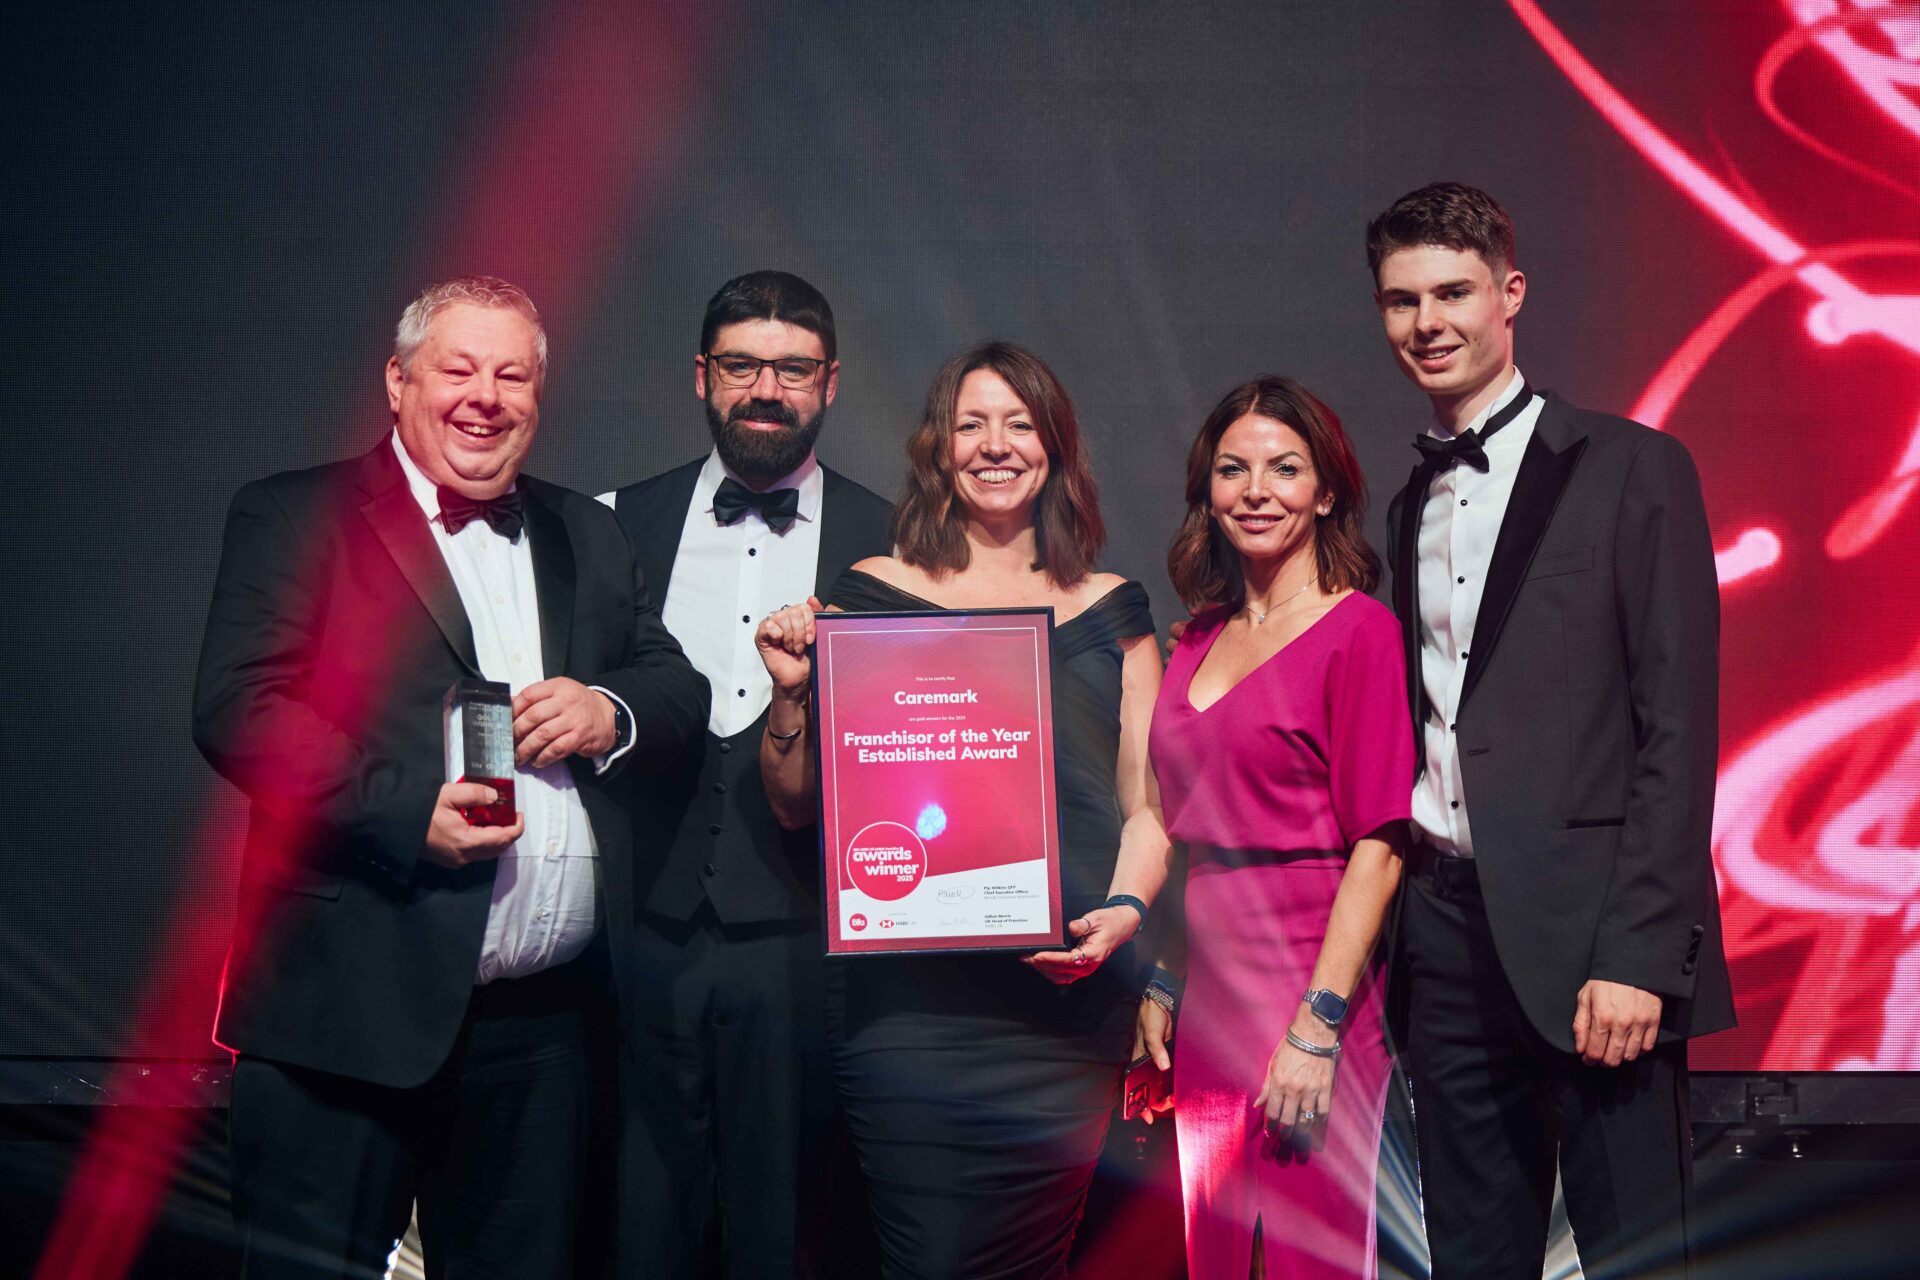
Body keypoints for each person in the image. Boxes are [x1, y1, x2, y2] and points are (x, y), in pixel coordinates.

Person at [193, 275, 708, 1278]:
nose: (485, 396)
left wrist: (611, 710)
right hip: (344, 1015)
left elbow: (675, 685)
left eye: (511, 375)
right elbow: (240, 707)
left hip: (544, 1030)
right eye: (458, 369)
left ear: (539, 394)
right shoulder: (295, 512)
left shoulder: (587, 531)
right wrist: (403, 812)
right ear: (398, 382)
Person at [1369, 182, 1734, 1279]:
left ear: (1510, 293)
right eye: (1401, 301)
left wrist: (1639, 957)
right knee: (1473, 1257)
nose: (1427, 322)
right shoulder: (1407, 504)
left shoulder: (1634, 467)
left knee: (1637, 1257)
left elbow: (1676, 734)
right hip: (1443, 942)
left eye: (1452, 292)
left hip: (1595, 945)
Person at [755, 341, 1173, 1278]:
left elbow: (1145, 807)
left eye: (1019, 424)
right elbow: (793, 804)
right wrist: (791, 695)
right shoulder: (873, 595)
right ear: (939, 448)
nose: (995, 445)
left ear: (1054, 447)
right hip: (915, 1013)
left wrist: (1127, 913)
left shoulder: (1114, 608)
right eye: (971, 424)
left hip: (1068, 1005)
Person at [599, 270, 894, 1278]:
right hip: (637, 933)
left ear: (831, 383)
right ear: (701, 375)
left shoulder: (897, 544)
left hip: (812, 945)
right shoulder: (609, 523)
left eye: (793, 370)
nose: (766, 389)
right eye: (741, 366)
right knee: (637, 1228)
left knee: (787, 1233)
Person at [1133, 376, 1414, 1278]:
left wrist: (1317, 1027)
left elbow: (1381, 849)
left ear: (1325, 491)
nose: (1257, 491)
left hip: (1312, 994)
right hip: (1210, 1010)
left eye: (1285, 469)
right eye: (1233, 470)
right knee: (1216, 1259)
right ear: (1207, 490)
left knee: (1310, 1263)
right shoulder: (1194, 640)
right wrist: (1166, 980)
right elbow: (1191, 834)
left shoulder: (1359, 631)